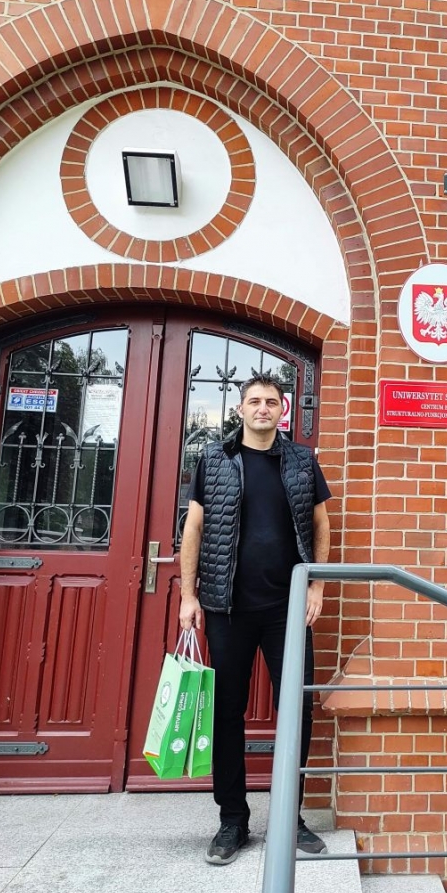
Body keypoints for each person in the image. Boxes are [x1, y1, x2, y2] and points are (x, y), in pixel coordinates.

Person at [179, 371, 331, 865]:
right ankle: (232, 820)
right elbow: (194, 527)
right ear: (241, 408)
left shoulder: (302, 461)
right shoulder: (215, 459)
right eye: (254, 401)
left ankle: (290, 817)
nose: (263, 408)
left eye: (271, 401)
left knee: (298, 710)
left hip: (287, 610)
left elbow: (321, 523)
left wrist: (317, 585)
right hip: (227, 607)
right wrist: (188, 595)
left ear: (282, 410)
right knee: (227, 710)